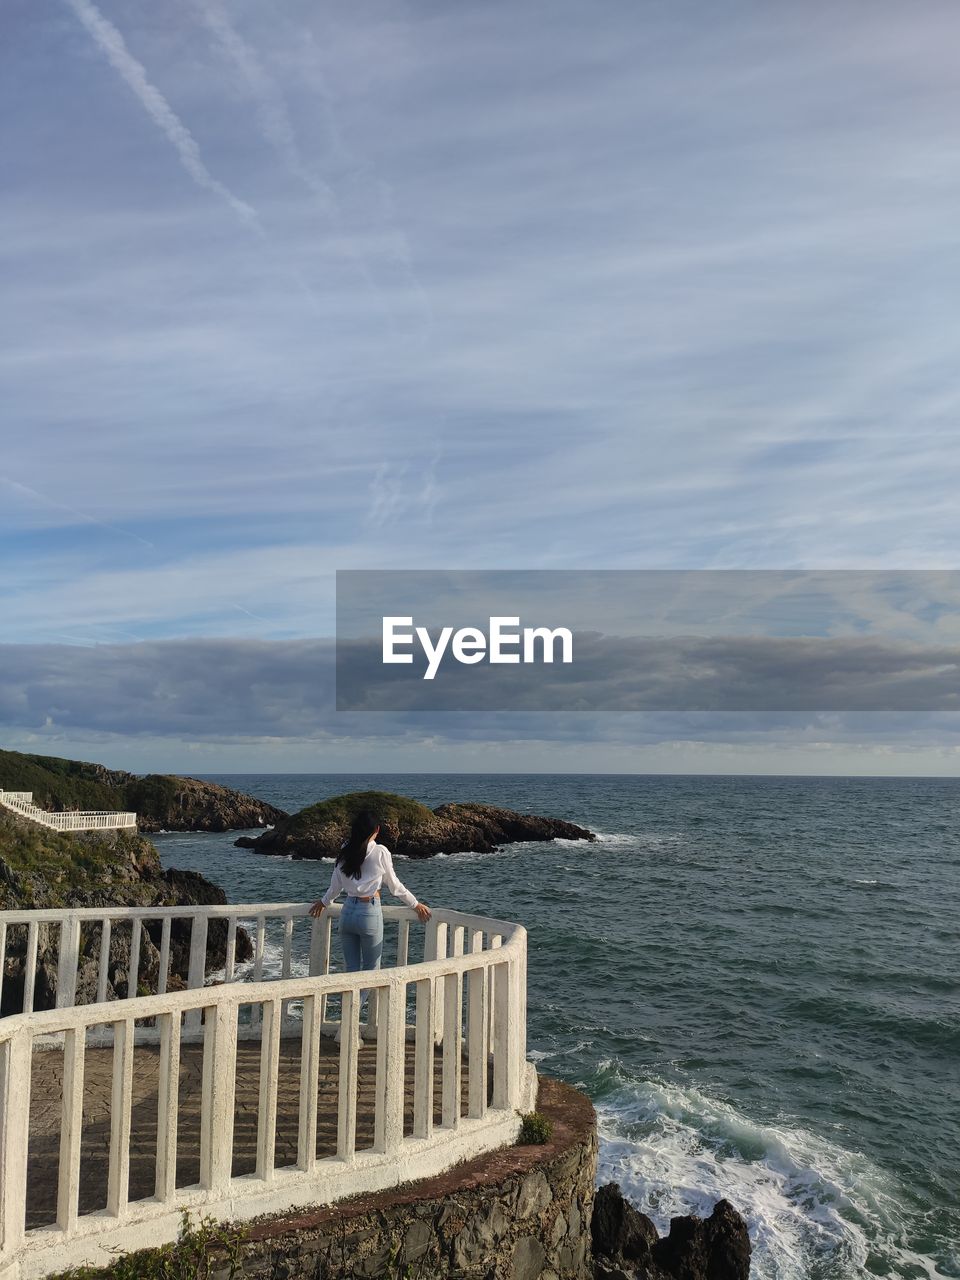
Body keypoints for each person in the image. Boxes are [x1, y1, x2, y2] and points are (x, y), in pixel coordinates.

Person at [309, 809, 431, 1041]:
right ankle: (347, 1027)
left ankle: (347, 1031)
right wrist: (416, 905)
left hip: (347, 913)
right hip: (368, 912)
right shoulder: (381, 852)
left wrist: (323, 903)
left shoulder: (345, 851)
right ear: (376, 830)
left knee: (352, 974)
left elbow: (335, 887)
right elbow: (395, 886)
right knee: (371, 972)